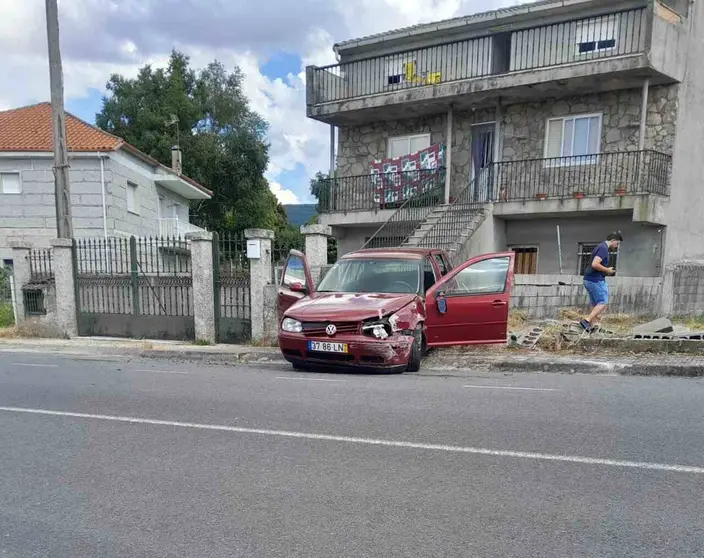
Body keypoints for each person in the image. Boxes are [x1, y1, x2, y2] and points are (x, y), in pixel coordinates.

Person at [580, 232, 623, 332]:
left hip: (589, 279)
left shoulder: (599, 247)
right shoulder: (603, 249)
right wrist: (607, 270)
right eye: (617, 243)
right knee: (602, 303)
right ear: (613, 240)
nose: (617, 246)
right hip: (595, 280)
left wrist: (606, 270)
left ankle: (592, 326)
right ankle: (586, 321)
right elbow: (595, 264)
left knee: (594, 303)